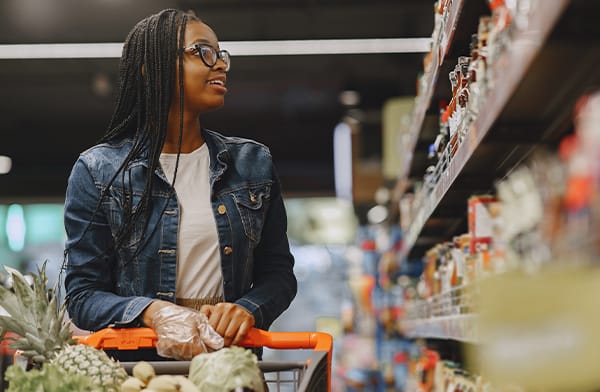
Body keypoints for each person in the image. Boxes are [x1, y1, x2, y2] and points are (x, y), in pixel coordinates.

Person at [63, 8, 297, 360]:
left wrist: (248, 308)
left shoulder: (252, 164)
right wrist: (153, 312)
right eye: (203, 52)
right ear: (152, 68)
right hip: (140, 374)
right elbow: (82, 296)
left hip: (229, 366)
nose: (219, 64)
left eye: (221, 55)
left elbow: (279, 275)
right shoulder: (98, 171)